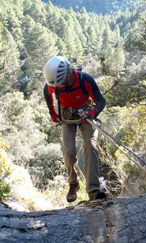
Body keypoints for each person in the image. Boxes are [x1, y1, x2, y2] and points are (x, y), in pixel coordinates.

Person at [43, 56, 106, 202]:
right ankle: (73, 184)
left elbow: (101, 101)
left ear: (69, 74)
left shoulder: (85, 80)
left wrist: (93, 114)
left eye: (62, 83)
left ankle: (93, 190)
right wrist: (52, 112)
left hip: (86, 114)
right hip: (67, 116)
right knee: (68, 151)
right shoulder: (54, 83)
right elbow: (47, 92)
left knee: (91, 146)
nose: (60, 86)